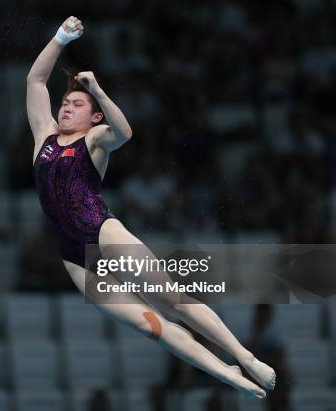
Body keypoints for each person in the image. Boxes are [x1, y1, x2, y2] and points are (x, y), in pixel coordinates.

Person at [27, 16, 275, 399]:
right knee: (150, 327)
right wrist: (59, 39)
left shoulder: (94, 140)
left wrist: (98, 90)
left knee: (173, 302)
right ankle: (225, 373)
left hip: (104, 234)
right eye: (65, 103)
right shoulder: (43, 136)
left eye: (76, 104)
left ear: (94, 116)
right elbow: (35, 81)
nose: (66, 108)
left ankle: (245, 356)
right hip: (73, 257)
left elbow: (124, 133)